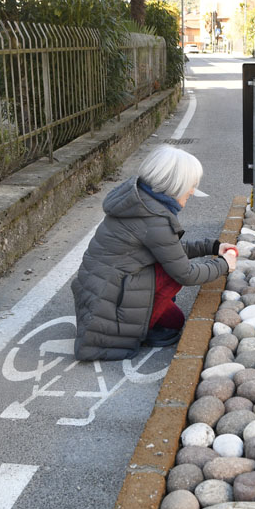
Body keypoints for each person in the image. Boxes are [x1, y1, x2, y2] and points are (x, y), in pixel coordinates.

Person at [71, 146, 237, 360]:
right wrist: (224, 264)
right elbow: (185, 273)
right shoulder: (154, 219)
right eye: (191, 186)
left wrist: (212, 247)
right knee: (174, 318)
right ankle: (142, 329)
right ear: (174, 185)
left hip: (100, 296)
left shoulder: (138, 202)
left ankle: (145, 320)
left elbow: (169, 251)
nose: (192, 191)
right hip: (110, 308)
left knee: (166, 274)